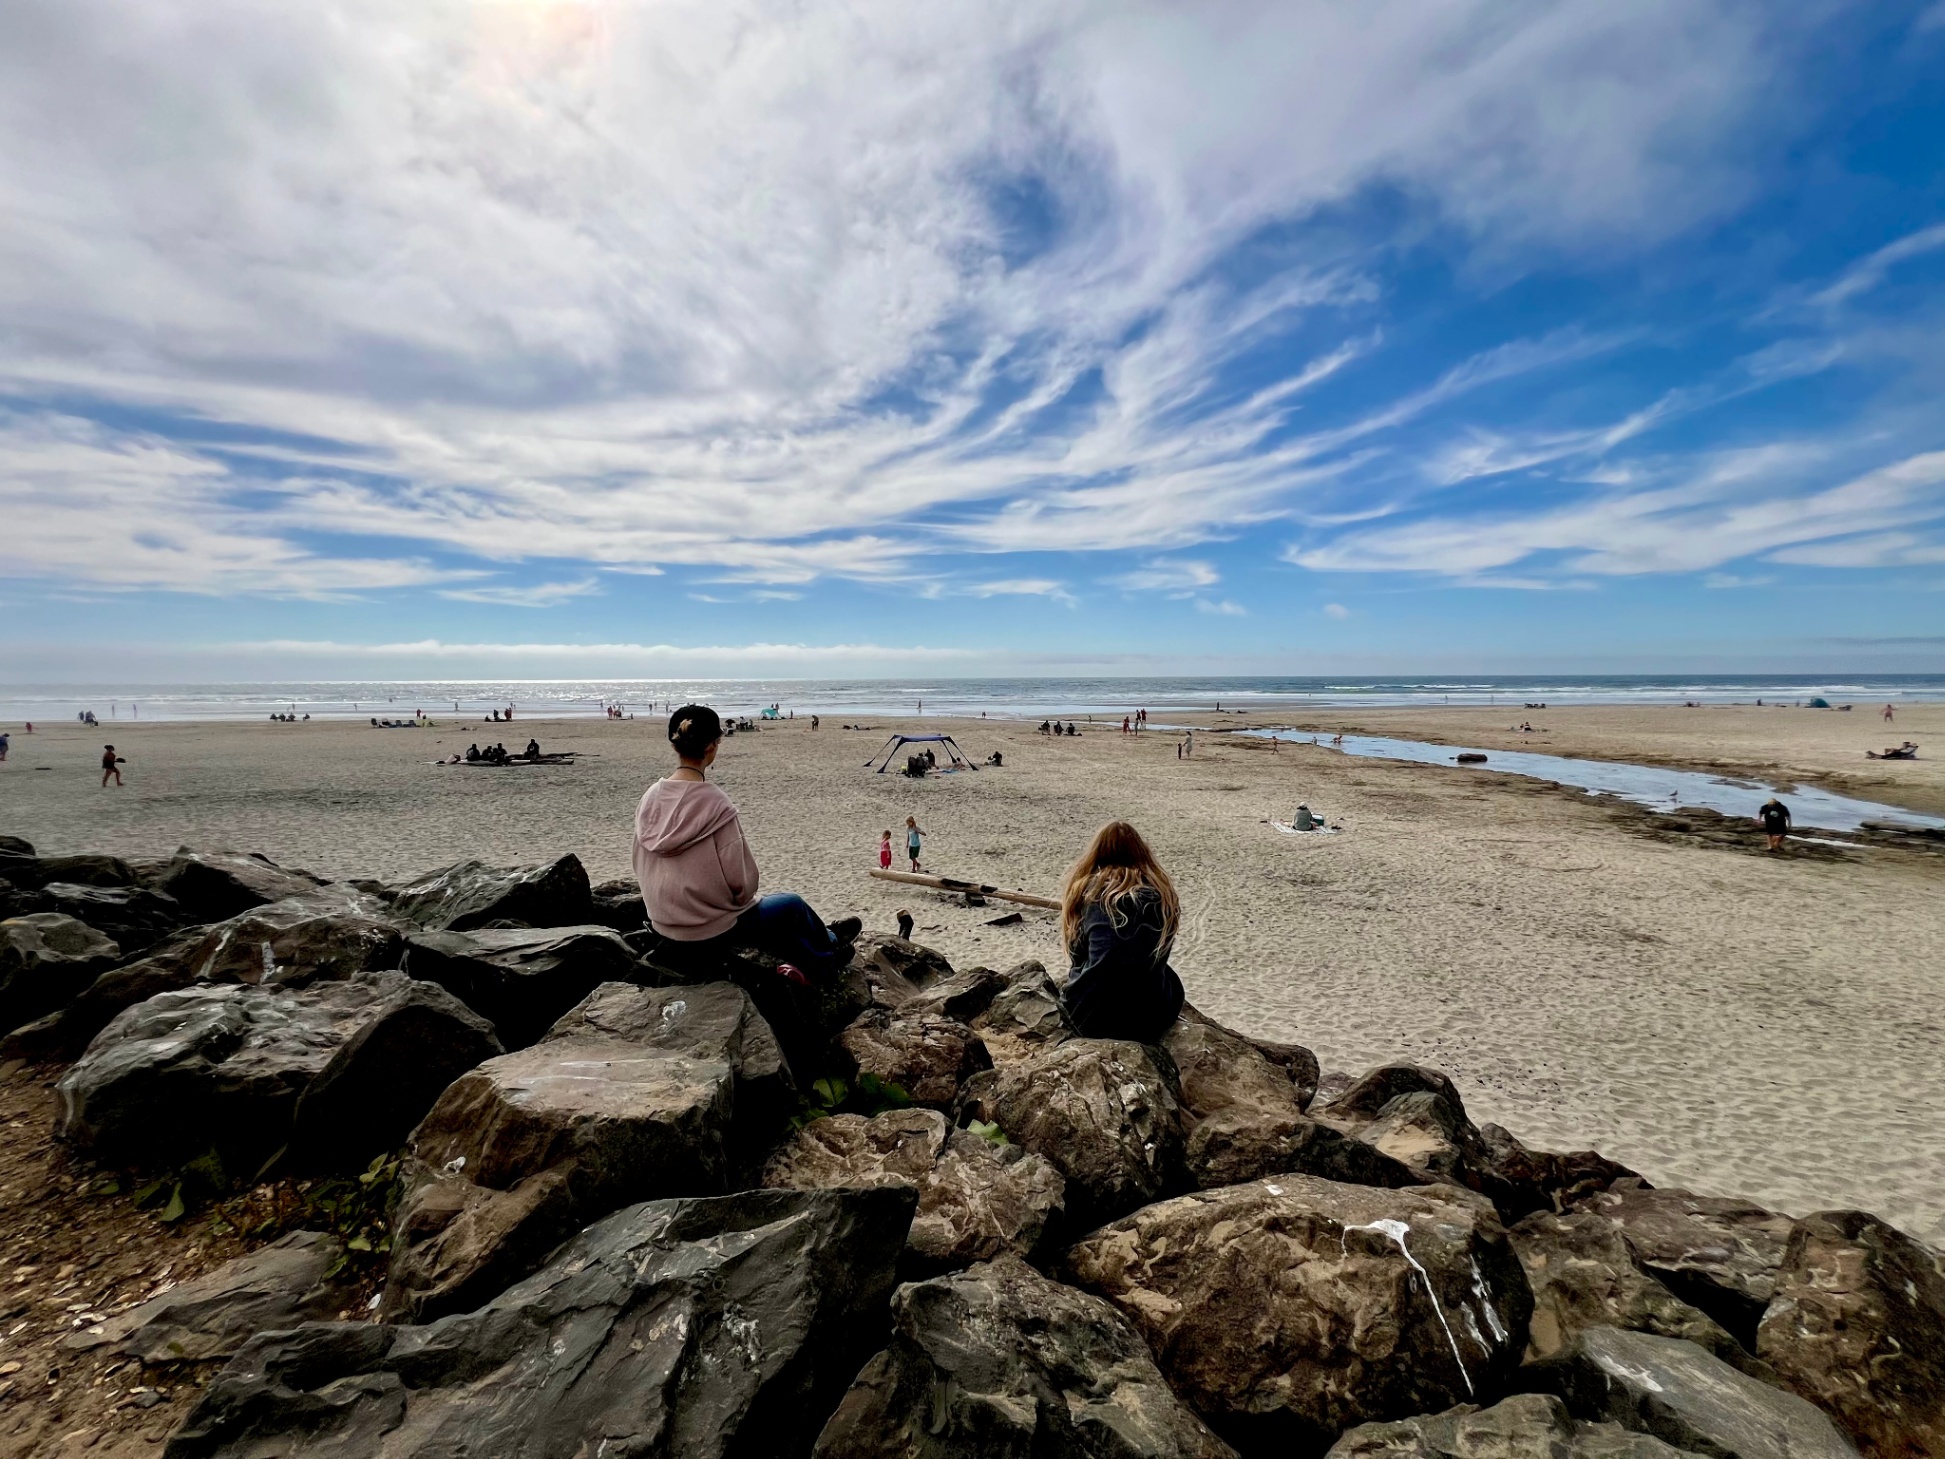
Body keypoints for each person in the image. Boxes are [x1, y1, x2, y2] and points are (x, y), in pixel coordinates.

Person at [634, 705, 859, 982]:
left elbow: (638, 862)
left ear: (674, 745)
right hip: (707, 929)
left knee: (778, 914)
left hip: (662, 921)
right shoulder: (715, 803)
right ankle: (828, 950)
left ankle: (827, 939)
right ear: (713, 746)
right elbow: (743, 886)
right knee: (790, 904)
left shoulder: (650, 797)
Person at [1059, 821, 1185, 1043]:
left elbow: (1077, 954)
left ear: (1096, 853)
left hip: (1088, 1015)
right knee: (1167, 977)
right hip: (1149, 1017)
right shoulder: (1161, 893)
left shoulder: (1087, 890)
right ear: (1142, 852)